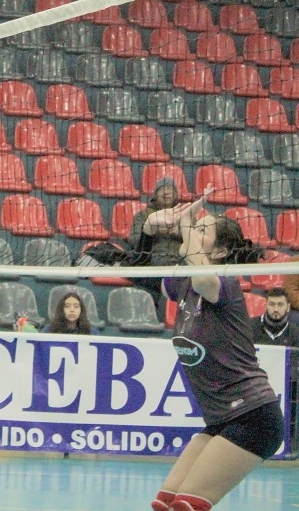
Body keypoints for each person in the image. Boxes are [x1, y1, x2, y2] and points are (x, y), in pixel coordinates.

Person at [142, 187, 284, 511]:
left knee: (186, 505)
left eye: (203, 230)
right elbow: (147, 275)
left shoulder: (223, 281)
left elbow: (202, 272)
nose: (194, 231)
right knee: (165, 502)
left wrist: (186, 224)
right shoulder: (184, 283)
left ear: (219, 252)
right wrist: (150, 229)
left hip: (253, 416)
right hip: (220, 419)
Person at [128, 177, 183, 309]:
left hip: (180, 261)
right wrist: (154, 229)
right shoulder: (143, 215)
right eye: (161, 189)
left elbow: (196, 239)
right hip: (154, 260)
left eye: (169, 189)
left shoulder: (185, 215)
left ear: (176, 194)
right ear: (155, 195)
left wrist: (178, 232)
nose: (166, 192)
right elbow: (134, 240)